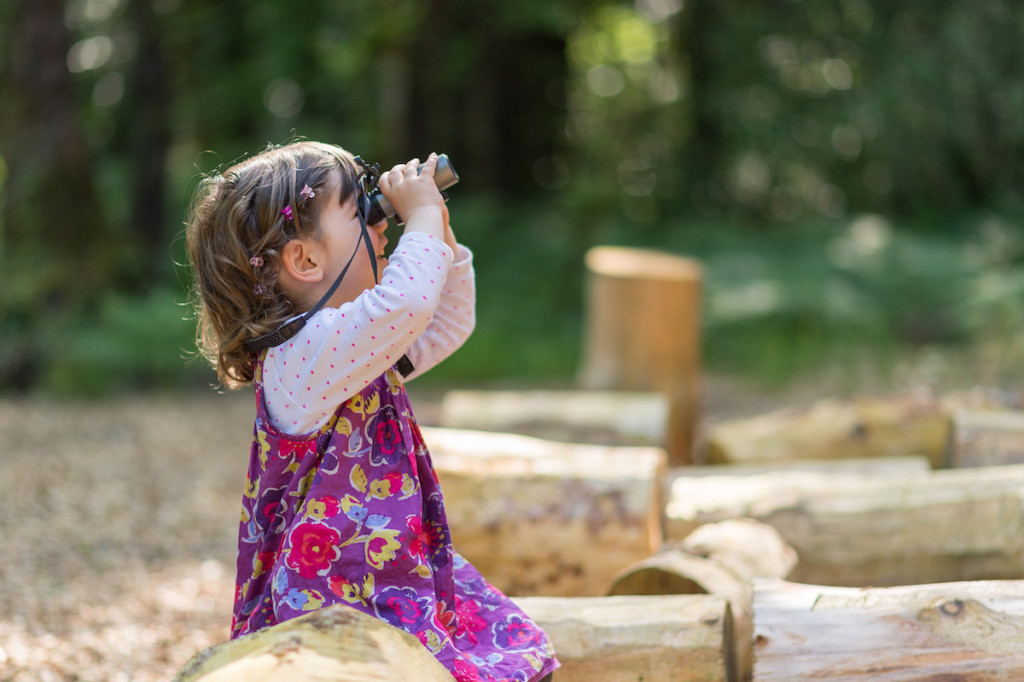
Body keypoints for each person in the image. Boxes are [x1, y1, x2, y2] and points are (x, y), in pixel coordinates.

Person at [185, 141, 558, 681]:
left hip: (390, 571)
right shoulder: (303, 360)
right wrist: (423, 214)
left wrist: (438, 232)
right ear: (305, 260)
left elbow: (445, 322)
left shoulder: (352, 352)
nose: (379, 225)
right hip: (328, 594)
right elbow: (407, 303)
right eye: (360, 212)